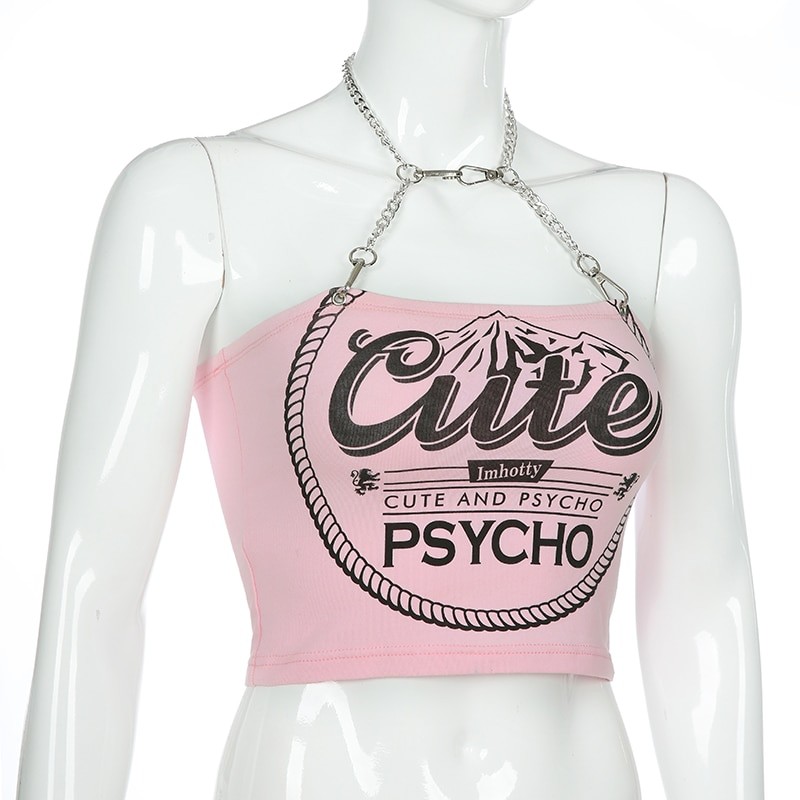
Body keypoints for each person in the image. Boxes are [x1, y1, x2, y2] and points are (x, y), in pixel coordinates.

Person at [17, 0, 763, 797]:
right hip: (323, 770)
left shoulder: (664, 228)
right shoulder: (199, 198)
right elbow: (93, 591)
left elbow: (702, 594)